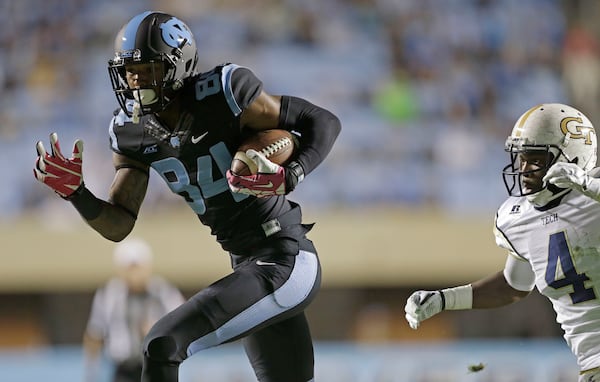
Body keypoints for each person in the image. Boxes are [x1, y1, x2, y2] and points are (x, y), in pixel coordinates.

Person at [33, 10, 341, 382]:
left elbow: (322, 120)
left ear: (176, 67)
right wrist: (78, 194)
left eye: (145, 69)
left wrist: (290, 174)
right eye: (128, 70)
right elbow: (119, 224)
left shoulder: (223, 93)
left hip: (285, 258)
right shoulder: (131, 130)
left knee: (162, 343)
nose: (133, 80)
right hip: (246, 263)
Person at [404, 103, 600, 381]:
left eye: (536, 159)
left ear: (573, 159)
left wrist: (589, 187)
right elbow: (514, 285)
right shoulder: (518, 219)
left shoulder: (593, 194)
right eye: (521, 158)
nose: (525, 169)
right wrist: (443, 299)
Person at [83, 237, 185, 382]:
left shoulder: (164, 292)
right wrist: (91, 373)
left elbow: (183, 326)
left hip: (158, 367)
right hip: (124, 369)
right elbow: (95, 333)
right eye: (130, 268)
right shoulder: (109, 295)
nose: (134, 274)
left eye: (138, 267)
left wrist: (159, 332)